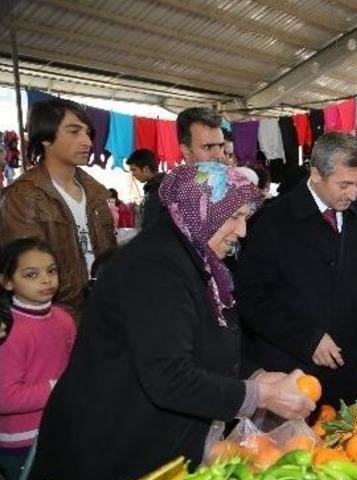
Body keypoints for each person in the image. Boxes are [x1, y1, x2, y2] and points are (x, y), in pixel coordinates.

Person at [31, 162, 315, 479]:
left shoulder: (198, 262)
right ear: (200, 211)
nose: (243, 231)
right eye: (234, 218)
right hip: (108, 446)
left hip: (149, 441)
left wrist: (258, 375)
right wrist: (259, 395)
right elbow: (168, 375)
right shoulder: (155, 268)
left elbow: (202, 340)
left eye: (245, 219)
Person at [236, 133, 357, 406]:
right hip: (289, 374)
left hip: (348, 370)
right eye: (344, 184)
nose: (353, 194)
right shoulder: (271, 223)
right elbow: (251, 299)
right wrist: (307, 338)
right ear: (316, 174)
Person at [0, 98, 117, 318]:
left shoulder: (96, 192)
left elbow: (108, 253)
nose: (87, 142)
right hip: (56, 317)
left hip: (104, 310)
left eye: (87, 133)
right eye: (74, 132)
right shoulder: (23, 196)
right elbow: (27, 270)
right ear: (45, 138)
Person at [0, 239, 75, 480]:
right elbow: (5, 398)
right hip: (22, 442)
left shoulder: (64, 319)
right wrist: (58, 387)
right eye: (31, 274)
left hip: (60, 427)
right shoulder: (8, 330)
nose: (46, 279)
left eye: (51, 271)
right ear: (7, 282)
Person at [126, 148, 165, 231]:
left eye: (134, 170)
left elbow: (149, 226)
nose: (133, 174)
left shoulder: (157, 190)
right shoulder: (156, 187)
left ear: (146, 169)